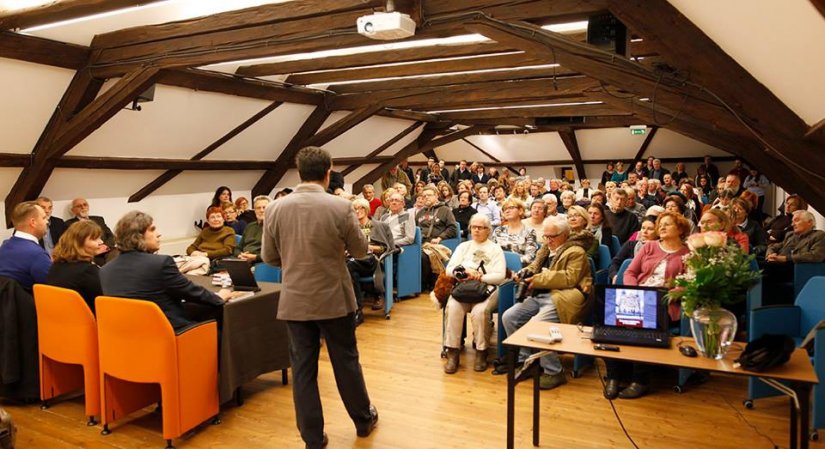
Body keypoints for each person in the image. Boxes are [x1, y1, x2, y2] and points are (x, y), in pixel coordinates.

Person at [261, 146, 378, 448]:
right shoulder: (340, 207)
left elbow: (269, 258)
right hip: (333, 298)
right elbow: (362, 251)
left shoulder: (275, 208)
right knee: (346, 362)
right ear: (328, 174)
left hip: (295, 300)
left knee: (303, 370)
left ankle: (312, 437)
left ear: (299, 173)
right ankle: (363, 420)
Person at [498, 215, 593, 390]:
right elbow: (534, 267)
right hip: (541, 295)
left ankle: (554, 371)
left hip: (563, 297)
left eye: (552, 237)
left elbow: (569, 278)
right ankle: (527, 361)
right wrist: (525, 272)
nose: (548, 241)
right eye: (546, 236)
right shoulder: (545, 249)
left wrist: (538, 279)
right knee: (509, 317)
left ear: (565, 234)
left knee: (537, 326)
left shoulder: (576, 252)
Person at [604, 212, 690, 399]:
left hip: (664, 301)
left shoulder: (687, 253)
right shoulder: (649, 246)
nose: (663, 227)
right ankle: (614, 376)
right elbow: (630, 272)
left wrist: (666, 296)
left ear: (681, 229)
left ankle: (640, 380)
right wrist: (636, 294)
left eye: (668, 224)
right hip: (637, 296)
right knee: (609, 323)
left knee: (642, 326)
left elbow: (687, 284)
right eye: (661, 224)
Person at [100, 211, 230, 331]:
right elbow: (191, 292)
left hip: (129, 336)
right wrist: (219, 297)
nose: (158, 234)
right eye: (152, 229)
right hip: (171, 334)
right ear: (137, 236)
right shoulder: (160, 263)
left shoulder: (105, 271)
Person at [442, 214, 506, 374]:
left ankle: (481, 352)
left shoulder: (495, 249)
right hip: (464, 288)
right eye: (474, 227)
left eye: (481, 227)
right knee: (453, 307)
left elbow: (500, 275)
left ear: (488, 230)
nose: (477, 230)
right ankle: (453, 352)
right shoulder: (463, 247)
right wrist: (465, 272)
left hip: (487, 288)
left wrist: (481, 276)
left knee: (480, 312)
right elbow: (449, 270)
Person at [347, 199, 394, 324]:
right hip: (353, 261)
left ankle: (355, 310)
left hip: (371, 260)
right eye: (355, 209)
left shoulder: (377, 225)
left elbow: (385, 248)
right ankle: (357, 311)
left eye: (361, 208)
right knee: (350, 270)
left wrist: (368, 247)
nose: (357, 211)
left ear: (366, 210)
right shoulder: (351, 227)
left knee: (349, 265)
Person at [45, 220, 103, 313]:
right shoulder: (87, 271)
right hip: (87, 322)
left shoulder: (55, 266)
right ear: (78, 243)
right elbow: (103, 300)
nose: (101, 242)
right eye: (94, 239)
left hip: (59, 321)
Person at [0, 201, 51, 292]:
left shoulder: (4, 246)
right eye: (44, 218)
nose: (47, 222)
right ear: (33, 222)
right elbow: (55, 287)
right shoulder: (37, 255)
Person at [416, 185, 457, 289]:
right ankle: (413, 285)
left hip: (437, 243)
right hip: (421, 242)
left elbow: (453, 228)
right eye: (424, 196)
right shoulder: (420, 212)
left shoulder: (445, 210)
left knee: (422, 256)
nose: (426, 198)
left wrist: (440, 238)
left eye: (429, 195)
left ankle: (423, 284)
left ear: (436, 196)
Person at [65, 198, 116, 265]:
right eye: (79, 206)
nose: (83, 207)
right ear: (73, 210)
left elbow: (110, 236)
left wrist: (106, 246)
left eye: (85, 205)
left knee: (117, 254)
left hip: (106, 249)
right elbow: (73, 243)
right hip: (89, 253)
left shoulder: (99, 219)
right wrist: (95, 250)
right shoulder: (68, 224)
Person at [608, 216, 658, 282]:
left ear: (658, 232)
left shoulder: (661, 248)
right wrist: (615, 275)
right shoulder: (630, 244)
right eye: (643, 228)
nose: (645, 231)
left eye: (650, 229)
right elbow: (614, 263)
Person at [493, 198, 538, 266]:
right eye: (505, 209)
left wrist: (510, 263)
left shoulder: (529, 232)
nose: (507, 211)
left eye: (511, 208)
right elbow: (491, 252)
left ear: (520, 211)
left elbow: (530, 257)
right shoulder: (498, 230)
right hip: (498, 268)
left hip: (518, 269)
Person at [234, 195, 271, 263]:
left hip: (262, 263)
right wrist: (240, 255)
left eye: (264, 207)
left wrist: (255, 257)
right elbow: (238, 248)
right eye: (258, 208)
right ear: (254, 210)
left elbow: (275, 254)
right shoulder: (250, 226)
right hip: (243, 260)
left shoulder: (274, 227)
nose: (261, 210)